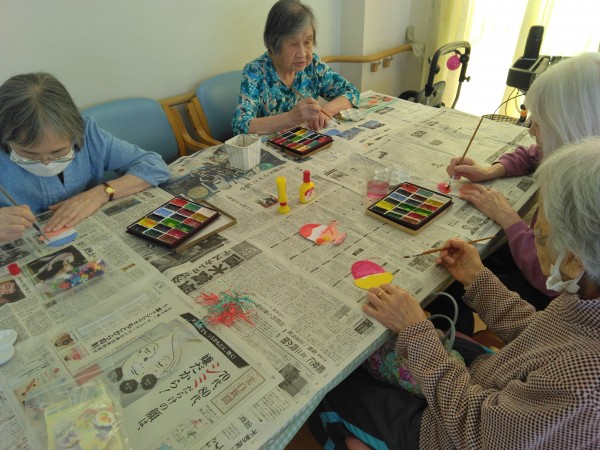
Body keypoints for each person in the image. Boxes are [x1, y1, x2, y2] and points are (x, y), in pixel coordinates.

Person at [309, 137, 600, 449]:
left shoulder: (584, 384)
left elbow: (475, 430)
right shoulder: (587, 293)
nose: (532, 239)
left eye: (539, 236)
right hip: (495, 384)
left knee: (329, 389)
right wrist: (477, 279)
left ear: (574, 260)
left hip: (453, 433)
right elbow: (541, 337)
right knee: (392, 345)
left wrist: (416, 331)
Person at [445, 52, 600, 311]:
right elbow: (534, 153)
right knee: (478, 251)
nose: (530, 131)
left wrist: (508, 218)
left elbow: (552, 278)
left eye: (539, 124)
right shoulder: (585, 147)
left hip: (549, 298)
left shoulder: (585, 192)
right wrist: (492, 170)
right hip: (536, 252)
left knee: (452, 283)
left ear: (567, 126)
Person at [0, 72, 170, 243]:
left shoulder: (87, 133)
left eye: (58, 152)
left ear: (74, 131)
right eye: (30, 154)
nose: (46, 162)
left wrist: (101, 193)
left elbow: (154, 165)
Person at [232, 0, 359, 135]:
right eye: (293, 44)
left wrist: (325, 111)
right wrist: (290, 118)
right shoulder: (255, 72)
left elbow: (351, 92)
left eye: (307, 42)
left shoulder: (313, 65)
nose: (303, 53)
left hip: (306, 141)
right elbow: (240, 126)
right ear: (273, 45)